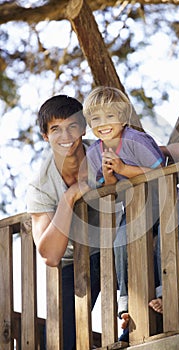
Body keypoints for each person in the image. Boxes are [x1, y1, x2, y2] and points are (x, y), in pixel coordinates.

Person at [82, 86, 179, 342]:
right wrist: (110, 177)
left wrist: (124, 168)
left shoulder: (137, 140)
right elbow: (102, 186)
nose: (103, 124)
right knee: (121, 241)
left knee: (170, 238)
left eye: (110, 116)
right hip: (135, 211)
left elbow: (159, 174)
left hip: (165, 204)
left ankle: (167, 292)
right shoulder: (94, 153)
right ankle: (126, 303)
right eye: (96, 119)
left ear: (123, 118)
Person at [26, 95, 102, 350]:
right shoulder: (41, 185)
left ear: (83, 128)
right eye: (55, 129)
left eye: (72, 126)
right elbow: (50, 255)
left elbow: (154, 154)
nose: (65, 135)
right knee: (58, 337)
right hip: (73, 261)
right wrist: (70, 197)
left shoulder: (104, 151)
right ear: (46, 136)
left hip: (114, 246)